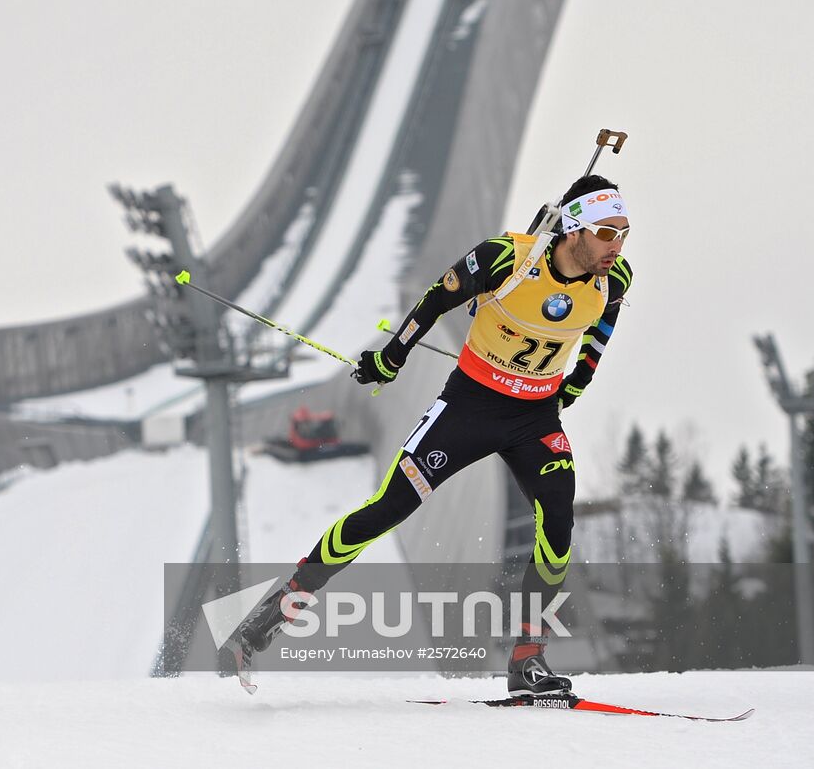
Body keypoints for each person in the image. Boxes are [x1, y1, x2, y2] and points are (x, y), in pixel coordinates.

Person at [231, 174, 633, 696]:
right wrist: (390, 358)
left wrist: (579, 379)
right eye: (606, 232)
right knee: (389, 508)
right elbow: (436, 299)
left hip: (534, 418)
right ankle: (279, 606)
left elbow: (603, 323)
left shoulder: (614, 276)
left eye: (624, 232)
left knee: (558, 521)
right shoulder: (507, 259)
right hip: (470, 407)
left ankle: (528, 659)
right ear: (573, 229)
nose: (616, 245)